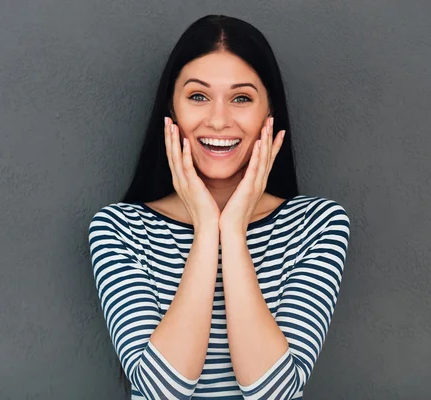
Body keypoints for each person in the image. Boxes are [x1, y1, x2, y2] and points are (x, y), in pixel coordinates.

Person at [88, 14, 350, 399]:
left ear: (268, 113)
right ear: (172, 110)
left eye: (241, 98)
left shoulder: (318, 225)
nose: (218, 120)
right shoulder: (119, 229)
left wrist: (233, 230)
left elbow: (273, 393)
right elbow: (162, 392)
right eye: (198, 96)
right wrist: (208, 228)